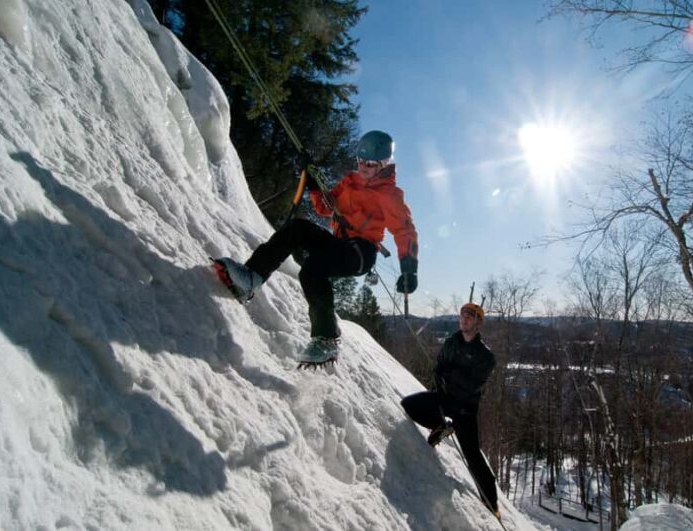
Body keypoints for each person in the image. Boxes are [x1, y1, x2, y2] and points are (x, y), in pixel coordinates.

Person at [212, 130, 418, 366]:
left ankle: (326, 339)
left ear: (383, 165)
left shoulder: (390, 194)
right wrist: (312, 185)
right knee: (297, 228)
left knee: (313, 269)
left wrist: (409, 269)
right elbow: (324, 208)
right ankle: (251, 277)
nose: (363, 168)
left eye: (369, 164)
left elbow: (405, 231)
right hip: (339, 243)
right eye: (360, 162)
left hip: (361, 252)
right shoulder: (350, 181)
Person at [400, 302, 499, 516]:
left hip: (465, 409)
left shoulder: (485, 356)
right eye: (462, 315)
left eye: (470, 316)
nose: (464, 319)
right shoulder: (451, 342)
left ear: (478, 322)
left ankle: (492, 505)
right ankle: (440, 426)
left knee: (472, 456)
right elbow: (440, 368)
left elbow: (472, 384)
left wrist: (450, 372)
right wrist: (439, 373)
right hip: (444, 398)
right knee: (409, 404)